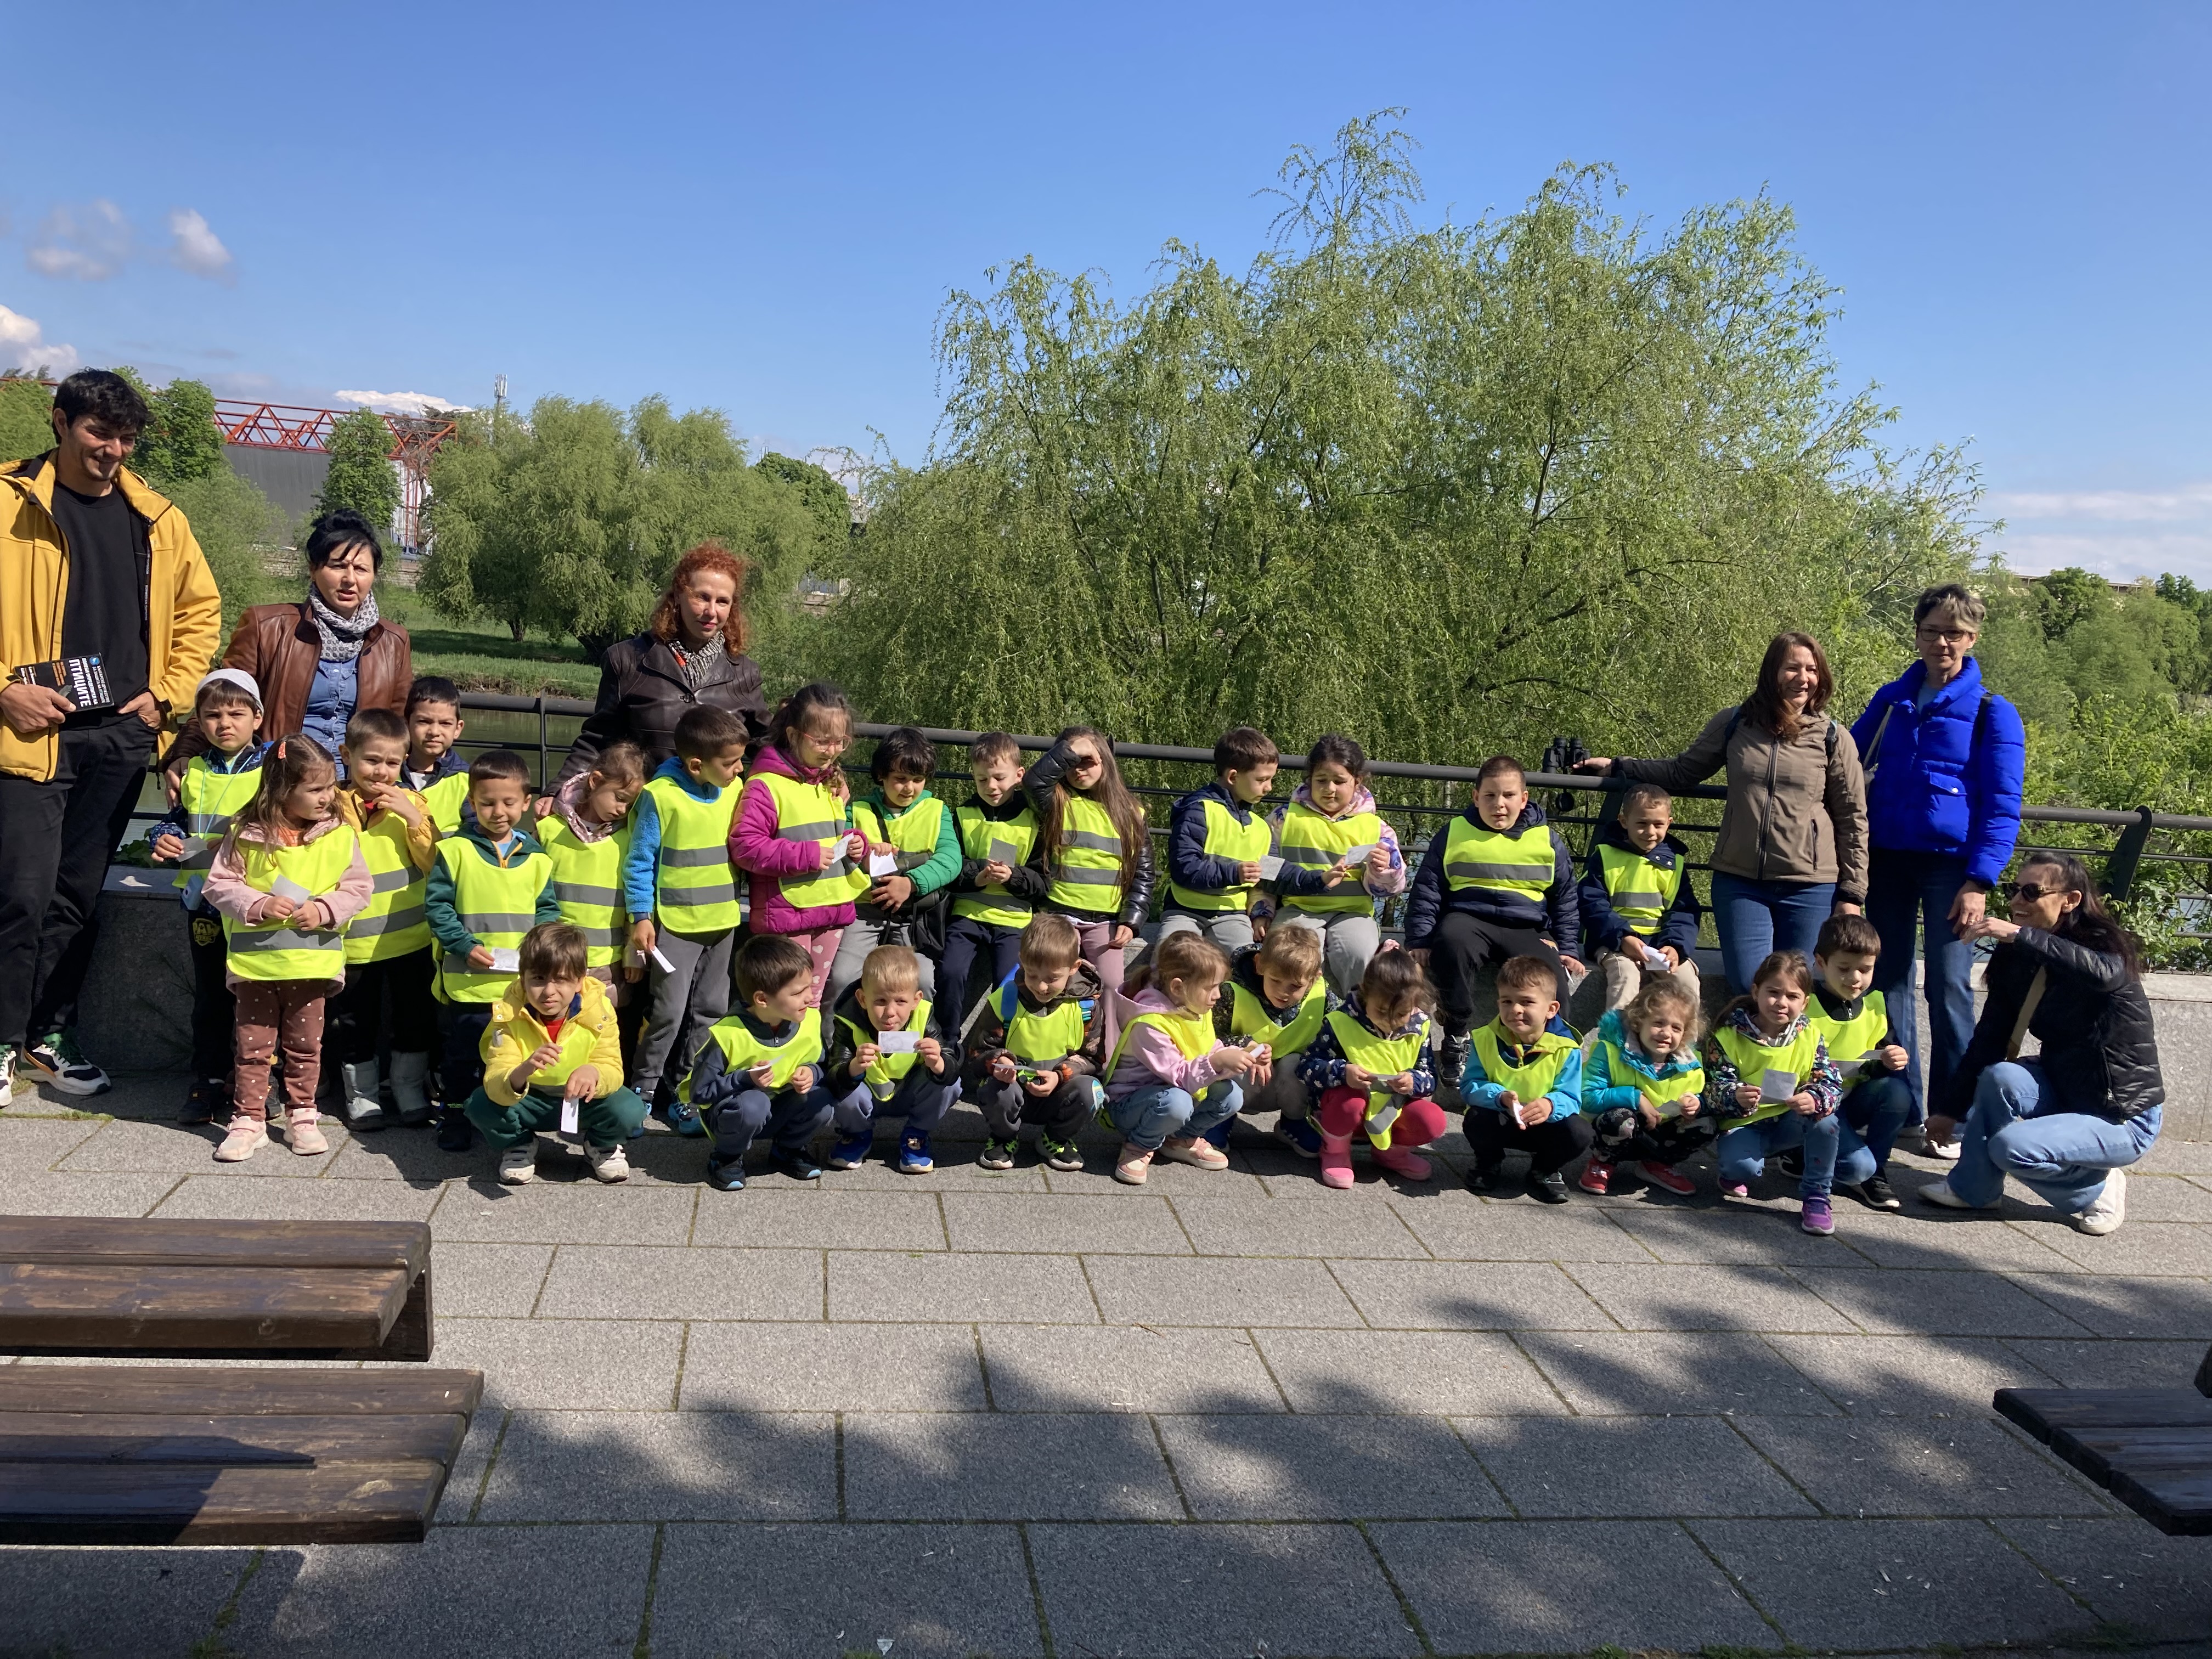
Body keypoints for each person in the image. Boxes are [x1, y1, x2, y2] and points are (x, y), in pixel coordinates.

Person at [1, 369, 223, 1097]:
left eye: (126, 438)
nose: (114, 450)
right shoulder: (8, 501)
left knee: (75, 895)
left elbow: (201, 613)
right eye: (100, 432)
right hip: (27, 736)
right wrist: (4, 691)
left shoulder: (157, 518)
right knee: (20, 893)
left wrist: (168, 695)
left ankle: (45, 1035)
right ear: (59, 421)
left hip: (120, 737)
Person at [1578, 632, 1866, 995]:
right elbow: (1682, 771)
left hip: (1810, 886)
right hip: (1741, 881)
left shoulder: (1833, 738)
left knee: (1795, 991)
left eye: (1812, 669)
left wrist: (1852, 894)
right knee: (1749, 985)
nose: (1803, 678)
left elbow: (1853, 819)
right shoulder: (1735, 723)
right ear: (1772, 672)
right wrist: (1620, 766)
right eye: (1792, 668)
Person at [1850, 584, 2026, 1136]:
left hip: (1953, 868)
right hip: (1887, 859)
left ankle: (1954, 1115)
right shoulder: (1891, 700)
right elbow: (1845, 764)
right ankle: (1901, 1107)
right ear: (1918, 635)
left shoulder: (1993, 712)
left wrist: (1980, 880)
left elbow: (2003, 805)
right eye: (1932, 631)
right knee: (1887, 981)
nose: (1942, 643)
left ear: (1972, 638)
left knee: (1949, 987)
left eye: (1954, 633)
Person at [1921, 853, 2163, 1236]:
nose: (2017, 901)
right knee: (2000, 1076)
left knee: (2011, 1147)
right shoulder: (2018, 956)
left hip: (2120, 1115)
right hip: (2065, 1091)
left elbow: (2104, 975)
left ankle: (2097, 1188)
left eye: (2032, 892)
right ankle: (1974, 1189)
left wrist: (2021, 936)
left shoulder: (2105, 946)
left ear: (2070, 900)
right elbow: (1990, 1039)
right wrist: (1949, 1110)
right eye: (2014, 889)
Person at [200, 736, 371, 1162]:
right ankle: (249, 1119)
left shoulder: (341, 835)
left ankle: (302, 1116)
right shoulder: (244, 834)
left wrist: (325, 910)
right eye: (315, 789)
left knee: (306, 1047)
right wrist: (258, 904)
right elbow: (219, 885)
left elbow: (359, 889)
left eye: (331, 786)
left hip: (312, 965)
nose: (327, 797)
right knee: (252, 1049)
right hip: (256, 966)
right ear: (281, 789)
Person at [170, 507, 411, 781]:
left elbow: (400, 727)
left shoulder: (393, 641)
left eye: (361, 569)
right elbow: (220, 699)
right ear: (313, 569)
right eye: (337, 566)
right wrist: (184, 753)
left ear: (374, 575)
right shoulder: (267, 627)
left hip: (357, 787)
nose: (350, 579)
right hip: (280, 782)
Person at [1404, 755, 1583, 1086]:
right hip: (1468, 918)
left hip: (1525, 926)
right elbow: (1428, 889)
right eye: (1490, 795)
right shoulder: (1454, 832)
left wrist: (1569, 948)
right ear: (1476, 797)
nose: (1499, 804)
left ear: (1524, 799)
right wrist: (1420, 940)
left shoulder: (1547, 839)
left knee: (1552, 977)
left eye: (1508, 795)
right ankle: (1456, 1032)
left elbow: (1566, 898)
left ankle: (1555, 1053)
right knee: (1451, 942)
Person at [145, 670, 267, 1125]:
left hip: (256, 903)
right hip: (205, 903)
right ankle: (208, 1078)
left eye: (236, 714)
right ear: (199, 720)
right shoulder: (193, 769)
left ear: (258, 717)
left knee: (259, 994)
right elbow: (177, 820)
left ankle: (259, 1080)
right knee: (211, 996)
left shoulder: (275, 767)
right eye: (213, 715)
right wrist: (162, 837)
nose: (225, 724)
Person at [551, 541, 769, 792]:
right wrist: (557, 791)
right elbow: (597, 741)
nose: (711, 611)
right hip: (643, 806)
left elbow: (767, 748)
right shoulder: (627, 660)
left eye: (722, 602)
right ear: (678, 595)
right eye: (702, 597)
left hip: (718, 812)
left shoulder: (745, 673)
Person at [426, 751, 560, 1150]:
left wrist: (539, 951)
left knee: (509, 1055)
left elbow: (547, 911)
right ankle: (454, 1116)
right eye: (486, 803)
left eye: (508, 802)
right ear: (472, 802)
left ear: (526, 802)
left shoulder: (537, 857)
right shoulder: (454, 850)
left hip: (518, 988)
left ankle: (500, 1114)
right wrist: (464, 945)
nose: (498, 812)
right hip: (468, 984)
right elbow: (438, 907)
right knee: (462, 1057)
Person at [625, 707, 749, 1132]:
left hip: (723, 922)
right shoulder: (660, 797)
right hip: (676, 925)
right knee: (668, 1012)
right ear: (697, 765)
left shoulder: (734, 789)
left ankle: (687, 1092)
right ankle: (642, 1091)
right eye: (731, 763)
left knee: (711, 1011)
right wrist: (641, 917)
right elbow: (639, 863)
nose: (739, 769)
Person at [1703, 949, 1872, 1237]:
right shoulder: (1727, 1036)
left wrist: (1814, 1098)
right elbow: (1712, 1089)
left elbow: (1831, 1084)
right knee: (1740, 1168)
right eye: (1773, 992)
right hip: (1747, 1123)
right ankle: (1737, 1171)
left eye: (1793, 997)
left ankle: (1817, 1196)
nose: (1782, 1002)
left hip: (1793, 1121)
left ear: (1805, 1003)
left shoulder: (1811, 1035)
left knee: (1854, 1158)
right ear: (1756, 992)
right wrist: (1735, 1095)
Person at [464, 922, 646, 1185]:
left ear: (580, 980)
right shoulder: (507, 1016)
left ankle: (601, 1145)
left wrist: (593, 1072)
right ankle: (519, 1144)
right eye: (538, 979)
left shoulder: (600, 1010)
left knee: (630, 1109)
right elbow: (496, 1075)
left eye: (561, 979)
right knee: (479, 1104)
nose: (549, 992)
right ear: (523, 978)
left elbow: (613, 1068)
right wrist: (522, 1071)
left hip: (582, 1101)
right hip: (530, 1099)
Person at [326, 708, 439, 1132]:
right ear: (347, 755)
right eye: (372, 760)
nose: (382, 771)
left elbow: (437, 865)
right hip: (354, 943)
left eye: (392, 763)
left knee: (415, 1018)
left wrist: (415, 821)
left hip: (411, 940)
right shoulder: (330, 805)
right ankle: (362, 1095)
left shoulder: (413, 804)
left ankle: (408, 1089)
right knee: (356, 1021)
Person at [730, 682, 867, 1008]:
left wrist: (855, 844)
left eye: (840, 741)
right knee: (784, 1001)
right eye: (822, 741)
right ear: (793, 735)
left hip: (830, 907)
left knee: (812, 1000)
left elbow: (832, 833)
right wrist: (806, 855)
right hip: (787, 913)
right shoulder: (766, 785)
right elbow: (746, 846)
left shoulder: (830, 780)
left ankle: (808, 1045)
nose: (832, 750)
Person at [1255, 734, 1405, 1000]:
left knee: (1359, 954)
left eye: (1339, 781)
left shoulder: (1376, 827)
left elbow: (1394, 887)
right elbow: (1265, 873)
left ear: (1357, 781)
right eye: (1321, 780)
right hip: (1298, 909)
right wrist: (1262, 910)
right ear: (1309, 780)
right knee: (1288, 956)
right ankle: (1291, 1014)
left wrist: (1383, 871)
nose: (1330, 789)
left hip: (1353, 913)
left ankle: (1356, 1013)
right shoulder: (1283, 819)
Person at [686, 933, 838, 1192]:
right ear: (762, 1000)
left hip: (780, 1109)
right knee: (755, 1103)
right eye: (798, 992)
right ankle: (726, 1158)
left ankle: (787, 1150)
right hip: (736, 1114)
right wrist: (744, 1079)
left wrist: (812, 1072)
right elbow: (699, 1093)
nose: (809, 997)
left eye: (809, 987)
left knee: (822, 1099)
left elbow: (824, 1065)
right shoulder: (729, 1034)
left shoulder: (810, 1020)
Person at [1099, 930, 1255, 1185]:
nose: (1217, 995)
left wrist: (1241, 1056)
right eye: (1210, 987)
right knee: (1177, 1102)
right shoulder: (1150, 1024)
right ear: (1178, 987)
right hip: (1130, 1106)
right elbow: (1181, 1076)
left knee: (1232, 1095)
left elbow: (1208, 1050)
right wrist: (1218, 1062)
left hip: (1171, 1095)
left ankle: (1180, 1140)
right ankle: (1139, 1146)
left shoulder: (1194, 1007)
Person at [823, 727, 961, 1013]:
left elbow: (951, 860)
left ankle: (914, 1041)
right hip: (864, 911)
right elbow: (840, 853)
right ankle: (835, 1040)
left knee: (923, 982)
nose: (909, 788)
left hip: (913, 917)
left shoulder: (938, 811)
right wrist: (863, 854)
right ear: (881, 775)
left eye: (918, 780)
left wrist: (911, 884)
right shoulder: (857, 810)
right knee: (842, 978)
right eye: (900, 779)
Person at [965, 913, 1105, 1173]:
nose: (1041, 987)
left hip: (1059, 1092)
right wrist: (998, 1061)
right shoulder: (1004, 1001)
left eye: (1052, 978)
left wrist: (1060, 1076)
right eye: (1032, 975)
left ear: (1074, 967)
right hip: (1014, 1090)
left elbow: (1093, 1058)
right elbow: (977, 1054)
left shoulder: (1086, 1006)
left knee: (1092, 1090)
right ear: (1022, 961)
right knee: (994, 1088)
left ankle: (1056, 1139)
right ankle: (1004, 1137)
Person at [1297, 948, 1443, 1190]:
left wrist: (1413, 1081)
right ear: (1366, 993)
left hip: (1391, 1111)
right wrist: (1343, 1072)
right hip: (1345, 1113)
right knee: (1350, 1102)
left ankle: (1392, 1154)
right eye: (1381, 1011)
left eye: (1401, 1014)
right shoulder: (1341, 1021)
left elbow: (1430, 1077)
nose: (1390, 1021)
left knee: (1432, 1118)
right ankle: (1335, 1151)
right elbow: (1307, 1067)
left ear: (1415, 1003)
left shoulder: (1421, 1027)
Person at [1024, 726, 1155, 991]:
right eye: (1071, 761)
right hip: (1058, 914)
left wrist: (1131, 920)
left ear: (1105, 760)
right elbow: (1033, 783)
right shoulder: (1059, 802)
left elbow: (1143, 873)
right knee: (1054, 977)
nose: (1078, 769)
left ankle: (1106, 1023)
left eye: (1086, 760)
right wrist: (1072, 750)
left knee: (1112, 984)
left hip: (1105, 920)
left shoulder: (1132, 813)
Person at [1459, 955, 1592, 1204]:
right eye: (1507, 1001)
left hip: (1545, 1124)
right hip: (1502, 1118)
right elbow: (1469, 1086)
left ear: (1551, 1009)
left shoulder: (1567, 1048)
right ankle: (1488, 1161)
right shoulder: (1484, 1038)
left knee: (1580, 1132)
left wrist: (1550, 1105)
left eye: (1527, 1002)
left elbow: (1572, 1098)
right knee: (1476, 1118)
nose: (1515, 1010)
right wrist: (1499, 1097)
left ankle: (1544, 1169)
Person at [823, 944, 961, 1175]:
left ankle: (916, 1135)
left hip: (909, 1093)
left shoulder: (924, 1015)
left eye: (901, 1002)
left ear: (916, 1000)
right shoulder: (848, 1021)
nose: (890, 1012)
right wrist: (853, 1068)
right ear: (862, 998)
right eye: (880, 1001)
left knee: (950, 1083)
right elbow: (833, 1077)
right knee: (844, 1089)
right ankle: (856, 1135)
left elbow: (952, 1066)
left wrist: (938, 1061)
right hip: (868, 1095)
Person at [940, 730, 1048, 1022]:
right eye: (982, 779)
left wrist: (1012, 877)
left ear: (1019, 775)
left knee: (1010, 982)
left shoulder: (1035, 820)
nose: (991, 786)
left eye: (999, 778)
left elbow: (1043, 882)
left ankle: (1002, 1040)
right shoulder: (962, 814)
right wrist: (978, 876)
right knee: (950, 970)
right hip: (967, 914)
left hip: (1014, 919)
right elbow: (950, 868)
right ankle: (947, 1039)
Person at [1809, 913, 1914, 1211]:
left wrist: (1891, 1058)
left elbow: (1877, 1058)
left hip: (1850, 1101)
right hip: (1811, 1105)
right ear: (1821, 963)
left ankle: (1875, 1172)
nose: (1855, 978)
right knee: (1856, 1167)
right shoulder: (1803, 1002)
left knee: (1896, 1092)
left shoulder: (1875, 1004)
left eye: (1865, 969)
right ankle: (1802, 1152)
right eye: (1844, 968)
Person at [538, 740, 647, 1009]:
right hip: (553, 957)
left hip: (607, 963)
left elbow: (637, 899)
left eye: (630, 805)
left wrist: (634, 955)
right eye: (619, 798)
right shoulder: (548, 829)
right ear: (595, 781)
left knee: (601, 1029)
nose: (622, 810)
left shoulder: (630, 838)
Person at [1579, 977, 1710, 1197]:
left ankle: (1657, 1164)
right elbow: (1587, 1096)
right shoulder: (1610, 1051)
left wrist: (1694, 1103)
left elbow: (1696, 1092)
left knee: (1706, 1123)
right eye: (1658, 1023)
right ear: (1639, 1022)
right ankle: (1603, 1162)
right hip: (1621, 1129)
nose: (1666, 1033)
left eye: (1676, 1028)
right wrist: (1635, 1097)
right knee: (1620, 1120)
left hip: (1661, 1130)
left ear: (1684, 1034)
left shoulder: (1690, 1063)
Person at [1580, 782, 1702, 1016]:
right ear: (1624, 821)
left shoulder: (1674, 864)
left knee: (1687, 982)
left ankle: (1685, 1038)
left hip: (1660, 945)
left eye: (1658, 824)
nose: (1650, 832)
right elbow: (1592, 904)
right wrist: (1623, 938)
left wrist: (1675, 946)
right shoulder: (1605, 856)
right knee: (1626, 977)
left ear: (1669, 823)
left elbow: (1684, 911)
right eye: (1642, 824)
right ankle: (1615, 1037)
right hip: (1614, 943)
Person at [1159, 726, 1278, 954]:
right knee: (1172, 957)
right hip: (1184, 911)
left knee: (1247, 961)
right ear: (1233, 777)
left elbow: (1272, 876)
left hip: (1232, 915)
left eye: (1271, 779)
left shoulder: (1262, 827)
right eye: (1262, 779)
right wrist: (1234, 873)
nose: (1269, 788)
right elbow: (1184, 867)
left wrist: (1320, 879)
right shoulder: (1197, 810)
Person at [1216, 923, 1329, 1157]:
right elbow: (1206, 1037)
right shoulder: (1230, 992)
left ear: (1313, 978)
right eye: (1275, 980)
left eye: (1295, 986)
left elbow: (1344, 1030)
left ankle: (1293, 1123)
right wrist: (1245, 1045)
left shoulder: (1323, 996)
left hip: (1287, 1085)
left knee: (1298, 1063)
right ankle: (1219, 1119)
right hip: (1241, 1081)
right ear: (1259, 965)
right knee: (1237, 1060)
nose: (1283, 992)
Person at [401, 677, 472, 833]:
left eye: (445, 723)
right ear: (407, 724)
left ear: (458, 729)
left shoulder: (469, 780)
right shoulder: (386, 773)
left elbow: (479, 833)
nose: (434, 732)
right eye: (424, 722)